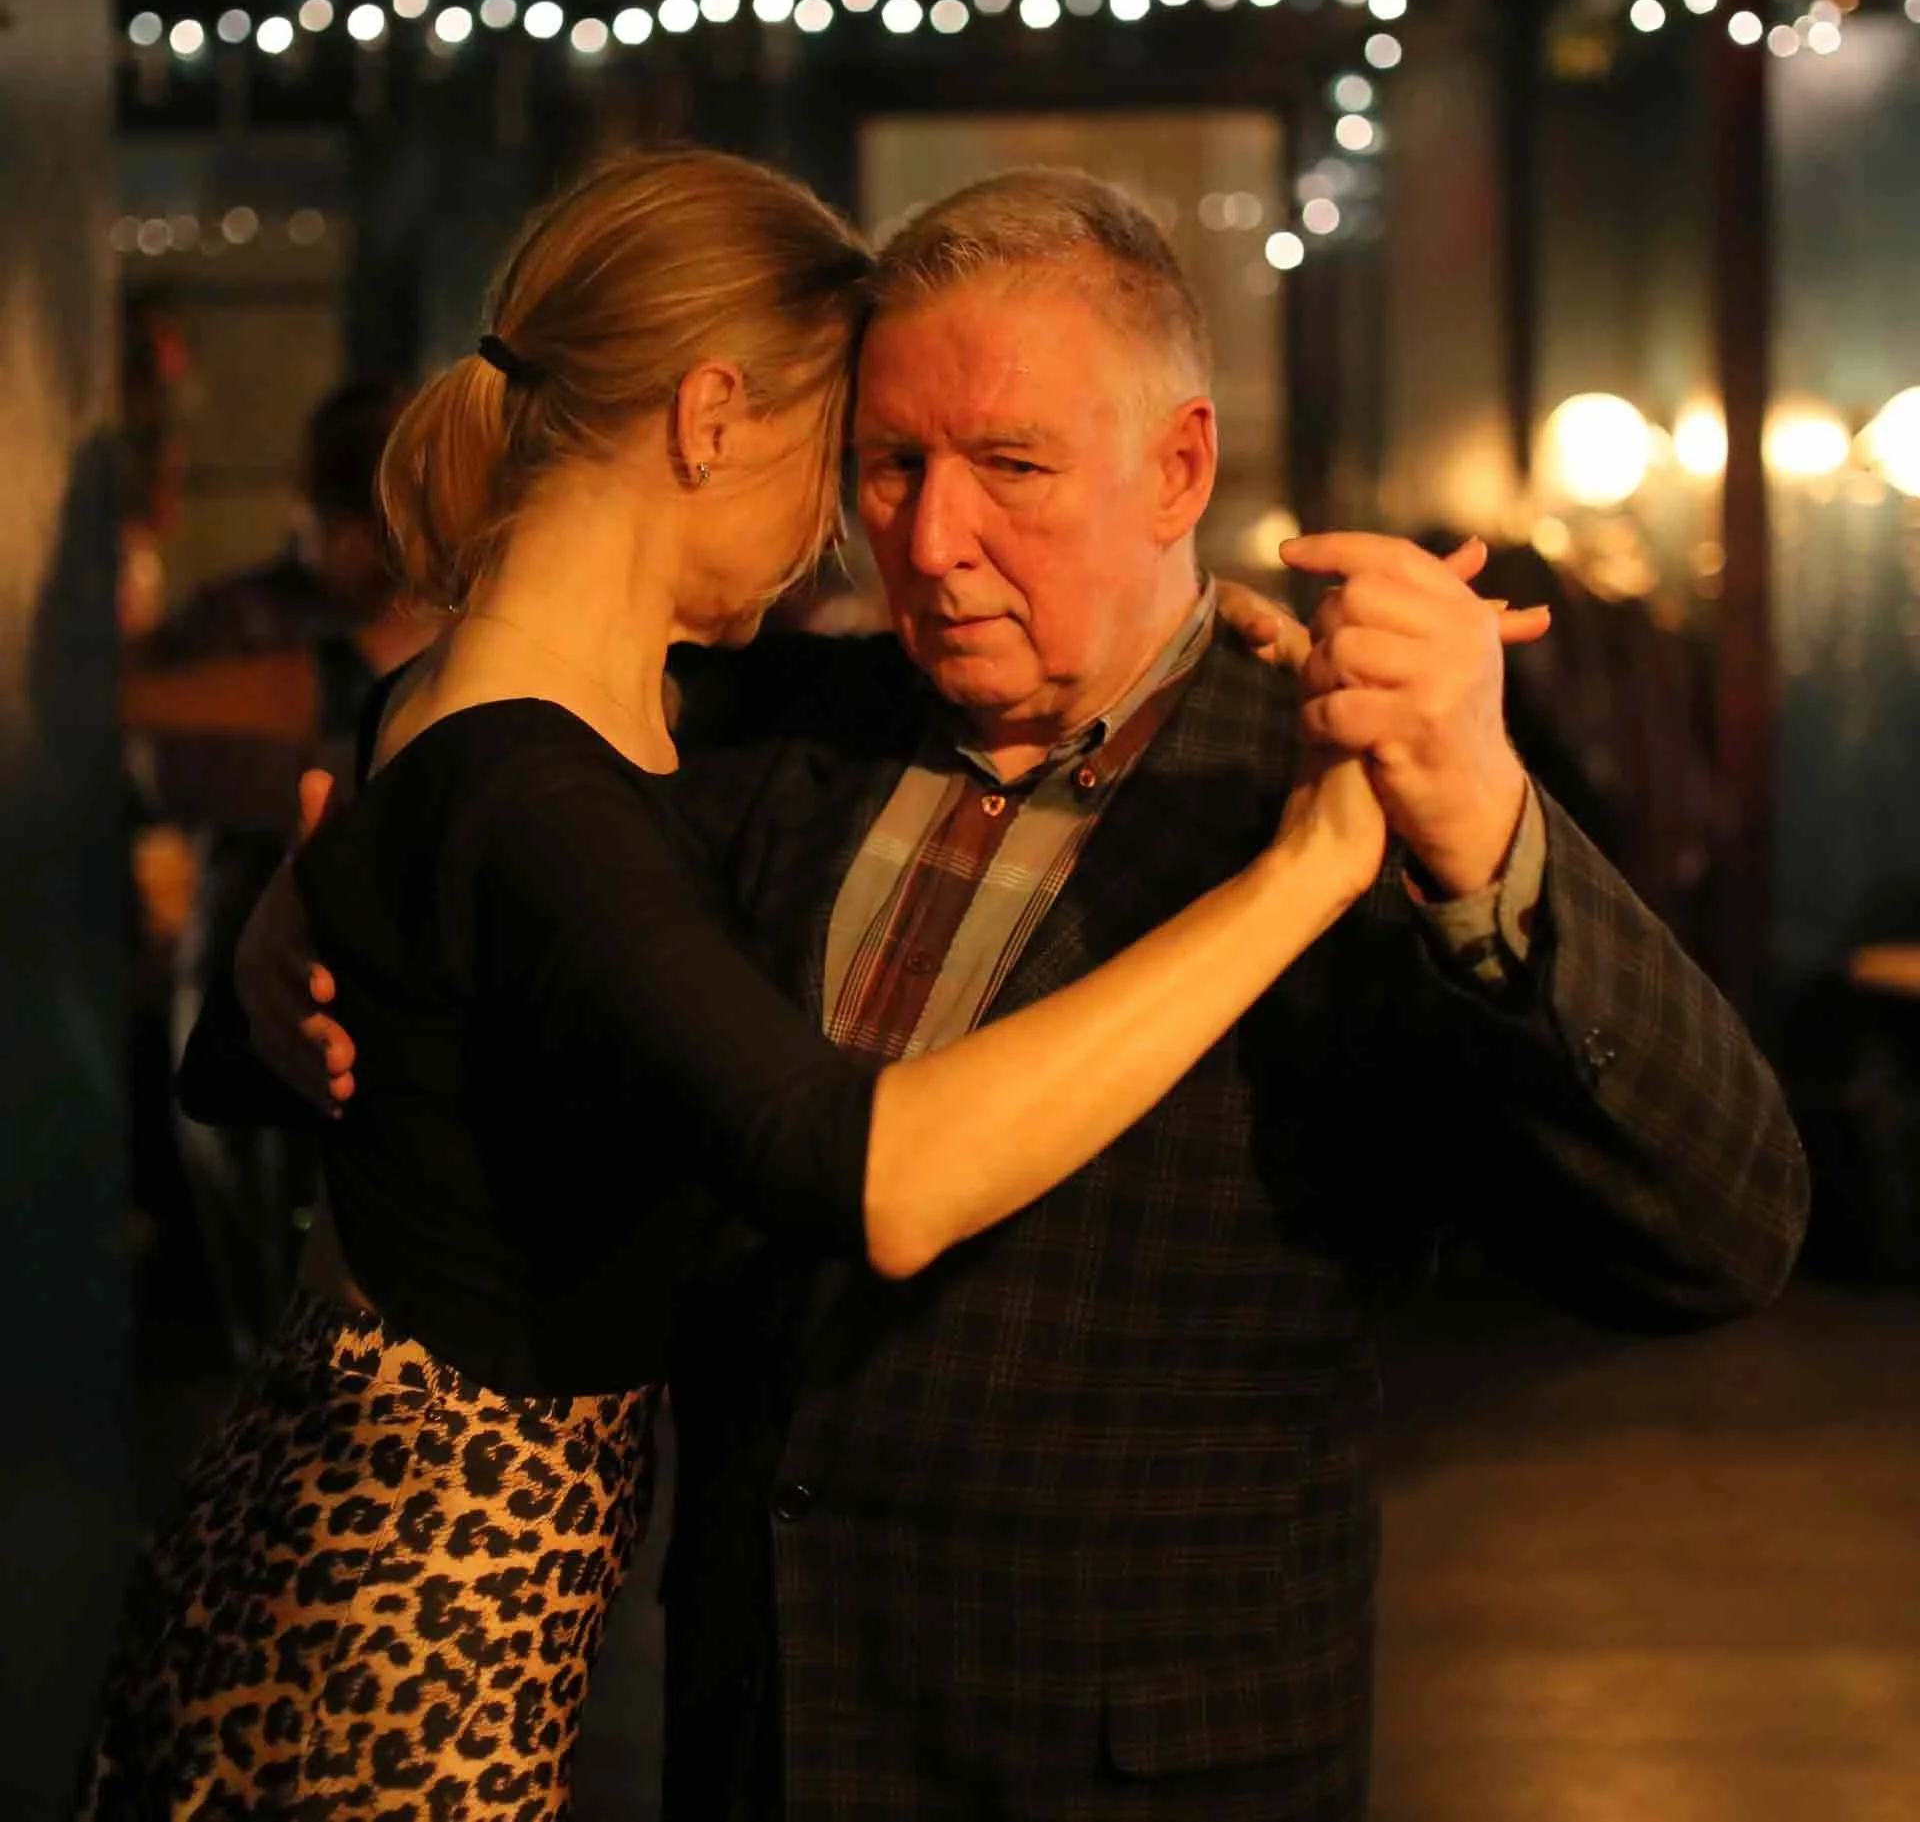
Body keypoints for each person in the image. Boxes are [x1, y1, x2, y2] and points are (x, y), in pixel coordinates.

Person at [222, 169, 1808, 1822]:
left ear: (1179, 466)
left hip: (1129, 1777)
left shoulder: (1332, 801)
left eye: (1014, 468)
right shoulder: (783, 730)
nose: (928, 535)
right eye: (891, 464)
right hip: (761, 1742)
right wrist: (297, 927)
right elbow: (492, 736)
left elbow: (1721, 1232)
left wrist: (1485, 827)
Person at [80, 150, 1395, 1822]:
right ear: (711, 420)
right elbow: (880, 1172)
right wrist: (1303, 871)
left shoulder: (508, 718)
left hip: (376, 1579)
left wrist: (294, 921)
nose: (883, 529)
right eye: (862, 456)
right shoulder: (535, 784)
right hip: (384, 1629)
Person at [122, 378, 435, 1360]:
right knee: (261, 1250)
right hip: (243, 952)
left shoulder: (439, 625)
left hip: (384, 981)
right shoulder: (246, 618)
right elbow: (166, 759)